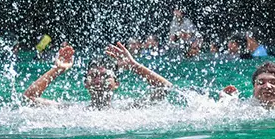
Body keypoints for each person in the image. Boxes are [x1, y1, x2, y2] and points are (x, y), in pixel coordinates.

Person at [24, 42, 172, 110]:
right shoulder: (72, 110)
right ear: (86, 84)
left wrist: (135, 66)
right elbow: (29, 98)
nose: (98, 79)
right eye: (93, 75)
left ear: (116, 84)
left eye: (104, 75)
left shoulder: (127, 111)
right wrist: (57, 69)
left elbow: (166, 88)